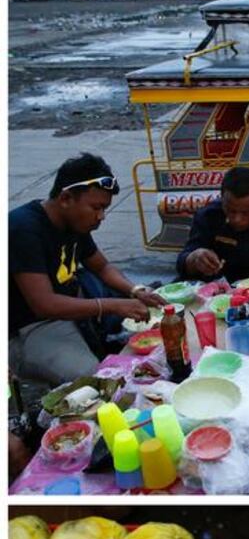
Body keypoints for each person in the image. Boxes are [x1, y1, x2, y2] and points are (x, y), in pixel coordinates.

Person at [9, 153, 164, 385]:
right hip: (31, 327)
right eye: (96, 207)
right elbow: (44, 304)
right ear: (65, 198)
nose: (101, 216)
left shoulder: (75, 222)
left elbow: (101, 266)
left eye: (105, 208)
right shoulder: (23, 228)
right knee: (99, 384)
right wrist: (113, 305)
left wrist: (136, 291)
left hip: (73, 309)